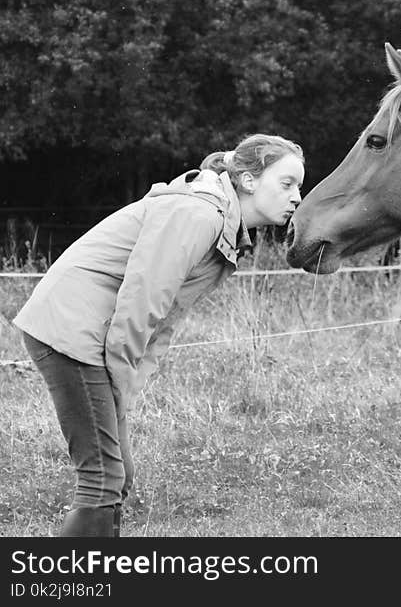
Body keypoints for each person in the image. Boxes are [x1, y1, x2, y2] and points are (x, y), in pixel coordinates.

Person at [13, 134, 305, 537]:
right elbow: (141, 301)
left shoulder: (220, 220)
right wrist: (118, 379)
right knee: (103, 475)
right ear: (249, 180)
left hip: (89, 333)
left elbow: (163, 320)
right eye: (287, 183)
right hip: (72, 328)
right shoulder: (199, 215)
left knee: (119, 471)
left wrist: (125, 388)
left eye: (299, 187)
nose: (297, 197)